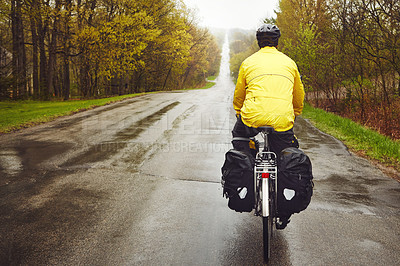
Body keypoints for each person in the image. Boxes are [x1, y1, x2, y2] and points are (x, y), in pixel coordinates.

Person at [231, 24, 305, 229]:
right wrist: (295, 112)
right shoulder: (290, 63)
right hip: (282, 119)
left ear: (259, 42)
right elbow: (298, 94)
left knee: (240, 139)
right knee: (285, 155)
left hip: (252, 117)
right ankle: (284, 209)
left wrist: (239, 110)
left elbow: (239, 94)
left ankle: (247, 170)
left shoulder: (248, 62)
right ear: (277, 42)